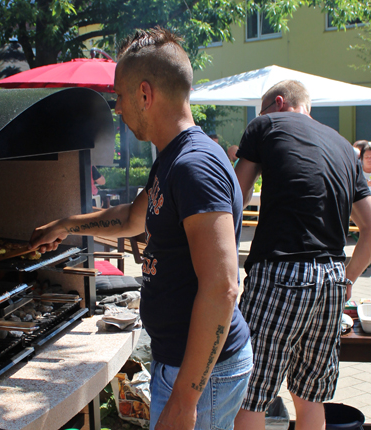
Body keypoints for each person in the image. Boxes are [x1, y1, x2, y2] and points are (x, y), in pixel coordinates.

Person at [29, 27, 252, 430]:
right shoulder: (172, 160)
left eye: (119, 96)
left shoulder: (195, 166)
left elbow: (223, 288)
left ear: (145, 95)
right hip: (183, 364)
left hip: (202, 374)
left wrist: (186, 400)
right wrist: (66, 224)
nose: (116, 108)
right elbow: (133, 218)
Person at [233, 80, 371, 430]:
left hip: (280, 274)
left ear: (278, 103)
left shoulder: (266, 124)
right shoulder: (346, 148)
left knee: (250, 394)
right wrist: (348, 278)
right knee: (310, 396)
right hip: (331, 279)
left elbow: (232, 199)